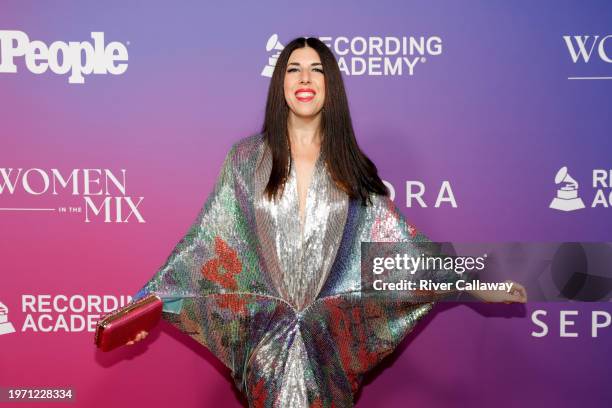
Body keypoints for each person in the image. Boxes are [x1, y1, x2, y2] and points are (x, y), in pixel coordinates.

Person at [127, 37, 527, 407]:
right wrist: (148, 305)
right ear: (280, 84)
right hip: (266, 350)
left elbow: (400, 250)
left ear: (330, 84)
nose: (305, 78)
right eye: (293, 68)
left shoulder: (351, 166)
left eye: (316, 69)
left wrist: (477, 283)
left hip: (327, 348)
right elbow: (206, 244)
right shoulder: (245, 160)